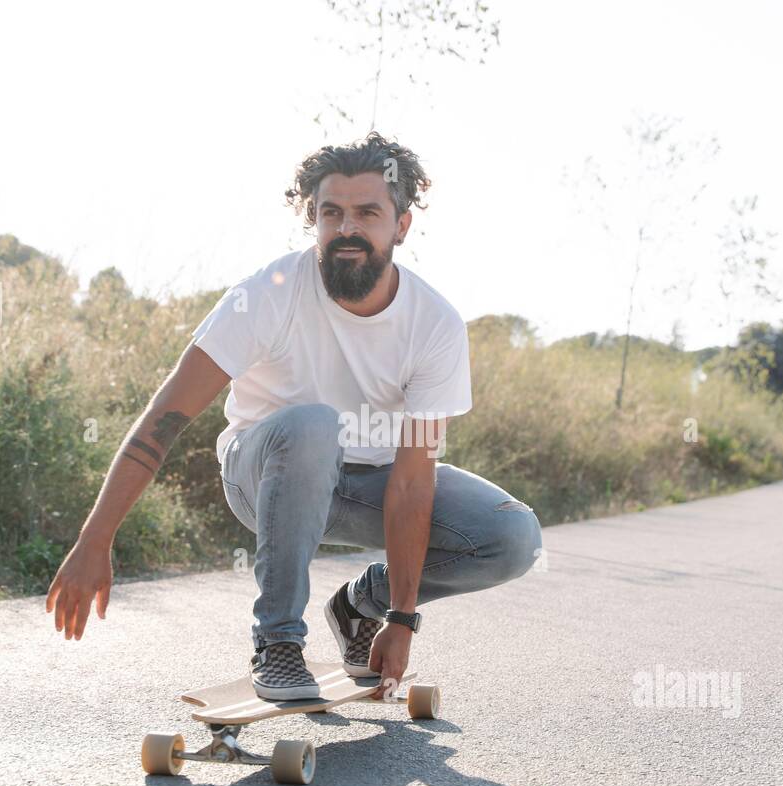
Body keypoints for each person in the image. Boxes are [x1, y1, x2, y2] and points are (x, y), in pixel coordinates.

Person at [46, 131, 543, 702]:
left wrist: (401, 618)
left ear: (400, 226)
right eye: (331, 213)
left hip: (368, 487)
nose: (347, 228)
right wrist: (95, 537)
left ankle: (361, 603)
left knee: (512, 536)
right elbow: (166, 417)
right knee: (313, 424)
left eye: (367, 213)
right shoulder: (267, 293)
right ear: (313, 218)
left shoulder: (435, 324)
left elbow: (411, 480)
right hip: (261, 475)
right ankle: (277, 644)